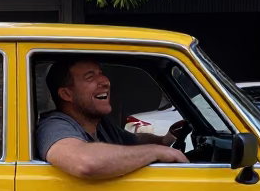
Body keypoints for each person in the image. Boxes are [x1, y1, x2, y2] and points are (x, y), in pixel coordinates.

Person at [36, 57, 190, 178]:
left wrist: (165, 140)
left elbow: (134, 142)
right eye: (90, 77)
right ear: (66, 94)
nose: (105, 82)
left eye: (101, 74)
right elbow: (85, 162)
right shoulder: (54, 126)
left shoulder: (100, 123)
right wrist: (157, 152)